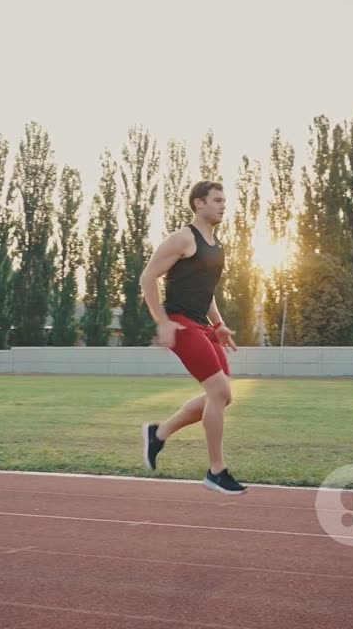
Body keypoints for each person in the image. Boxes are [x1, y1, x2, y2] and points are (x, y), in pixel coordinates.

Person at [138, 180, 247, 495]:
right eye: (217, 200)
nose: (223, 205)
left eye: (224, 200)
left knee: (223, 396)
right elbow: (148, 277)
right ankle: (216, 471)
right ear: (199, 203)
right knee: (217, 391)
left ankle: (158, 434)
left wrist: (220, 324)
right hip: (181, 323)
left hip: (204, 325)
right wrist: (162, 322)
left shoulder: (217, 246)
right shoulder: (183, 238)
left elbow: (207, 291)